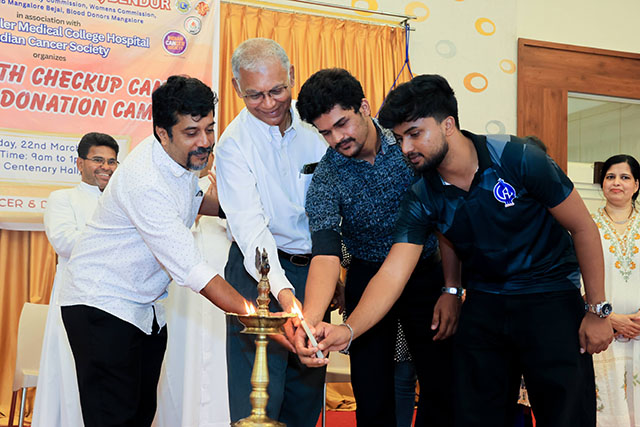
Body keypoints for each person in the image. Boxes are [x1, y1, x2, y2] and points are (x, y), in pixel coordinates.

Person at [303, 74, 614, 427]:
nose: (405, 148)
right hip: (483, 302)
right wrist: (346, 330)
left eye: (415, 134)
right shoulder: (421, 194)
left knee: (564, 413)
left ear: (448, 124)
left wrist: (597, 310)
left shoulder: (518, 157)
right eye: (401, 138)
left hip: (549, 299)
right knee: (471, 413)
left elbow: (583, 227)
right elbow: (391, 272)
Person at [57, 75, 248, 427]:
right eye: (191, 132)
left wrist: (244, 211)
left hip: (145, 309)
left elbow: (194, 201)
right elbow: (191, 268)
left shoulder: (177, 160)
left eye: (209, 129)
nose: (205, 142)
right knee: (114, 419)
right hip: (102, 305)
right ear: (163, 132)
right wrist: (255, 315)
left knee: (140, 416)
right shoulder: (144, 179)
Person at [294, 68, 456, 426]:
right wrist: (312, 321)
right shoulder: (326, 177)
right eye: (325, 132)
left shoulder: (408, 144)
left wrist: (451, 287)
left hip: (425, 275)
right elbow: (325, 253)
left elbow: (448, 219)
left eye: (342, 124)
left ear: (364, 107)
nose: (337, 138)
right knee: (370, 392)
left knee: (441, 383)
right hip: (366, 277)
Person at [215, 38, 328, 425]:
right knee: (258, 396)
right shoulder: (233, 145)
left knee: (305, 393)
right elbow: (251, 230)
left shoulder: (316, 128)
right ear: (237, 88)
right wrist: (283, 294)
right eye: (254, 95)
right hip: (255, 275)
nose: (268, 104)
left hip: (313, 273)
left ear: (292, 75)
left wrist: (329, 271)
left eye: (277, 90)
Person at [33, 132, 119, 427]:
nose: (105, 167)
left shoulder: (122, 201)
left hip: (117, 301)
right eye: (98, 160)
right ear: (80, 163)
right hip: (74, 297)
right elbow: (65, 242)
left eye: (112, 161)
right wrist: (115, 239)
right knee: (71, 372)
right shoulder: (62, 198)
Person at [591, 154, 640, 426]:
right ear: (602, 184)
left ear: (636, 185)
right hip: (602, 333)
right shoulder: (586, 227)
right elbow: (574, 280)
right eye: (610, 177)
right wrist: (608, 318)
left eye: (625, 177)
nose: (616, 183)